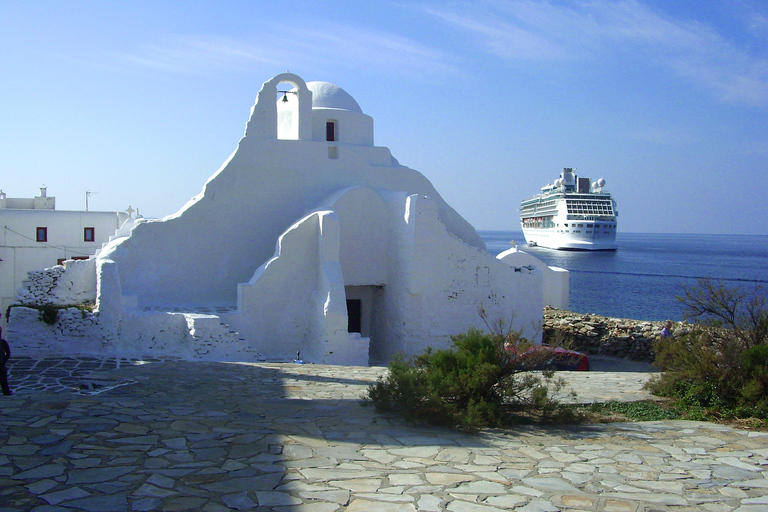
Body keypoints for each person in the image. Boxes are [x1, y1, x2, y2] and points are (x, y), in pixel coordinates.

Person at [0, 327, 11, 396]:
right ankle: (6, 392)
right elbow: (8, 353)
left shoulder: (2, 342)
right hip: (1, 364)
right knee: (3, 380)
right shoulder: (2, 342)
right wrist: (4, 361)